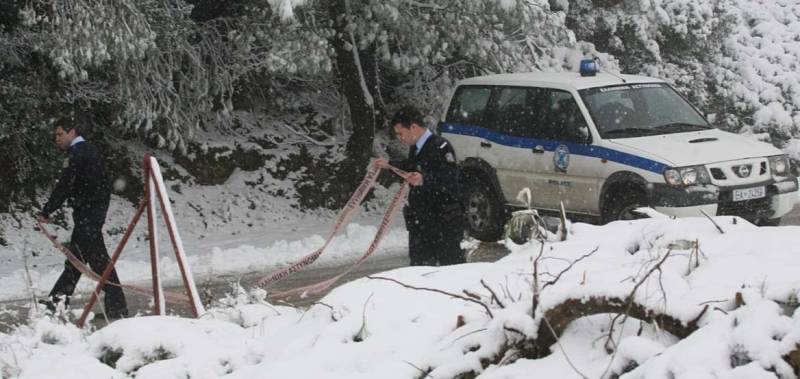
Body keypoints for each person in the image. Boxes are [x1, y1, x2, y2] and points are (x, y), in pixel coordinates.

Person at [36, 115, 128, 319]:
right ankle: (56, 301)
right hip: (91, 213)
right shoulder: (90, 150)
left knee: (98, 261)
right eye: (55, 135)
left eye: (60, 134)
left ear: (72, 132)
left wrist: (47, 210)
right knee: (76, 260)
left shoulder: (77, 153)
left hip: (88, 216)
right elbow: (102, 183)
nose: (57, 139)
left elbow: (65, 185)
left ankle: (117, 305)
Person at [375, 106, 465, 266]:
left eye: (401, 133)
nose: (400, 138)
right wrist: (389, 165)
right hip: (421, 221)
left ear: (414, 127)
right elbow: (411, 166)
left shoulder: (441, 146)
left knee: (450, 270)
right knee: (419, 270)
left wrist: (425, 180)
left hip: (443, 221)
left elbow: (451, 178)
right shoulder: (416, 148)